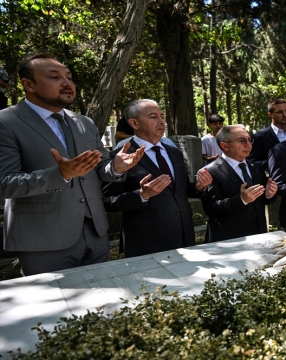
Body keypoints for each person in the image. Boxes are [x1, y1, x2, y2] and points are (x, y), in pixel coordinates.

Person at [0, 53, 145, 275]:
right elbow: (5, 183)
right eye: (54, 77)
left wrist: (116, 167)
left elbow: (100, 167)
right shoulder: (6, 123)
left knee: (101, 301)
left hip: (95, 233)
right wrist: (60, 174)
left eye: (69, 77)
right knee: (55, 306)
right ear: (28, 84)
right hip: (43, 239)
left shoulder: (84, 123)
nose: (67, 83)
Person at [102, 99, 212, 258]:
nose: (161, 121)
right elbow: (109, 201)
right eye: (153, 116)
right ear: (134, 123)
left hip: (183, 235)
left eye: (161, 116)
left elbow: (179, 190)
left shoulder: (173, 152)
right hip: (146, 240)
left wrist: (199, 186)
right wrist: (142, 195)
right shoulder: (121, 158)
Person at [202, 124, 277, 241]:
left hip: (259, 234)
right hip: (229, 239)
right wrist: (242, 200)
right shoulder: (210, 171)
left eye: (249, 140)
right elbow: (211, 209)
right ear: (225, 146)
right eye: (242, 141)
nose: (248, 144)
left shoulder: (256, 167)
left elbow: (263, 201)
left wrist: (269, 194)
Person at [248, 98, 286, 171]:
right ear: (270, 114)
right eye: (280, 112)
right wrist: (274, 161)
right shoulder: (260, 137)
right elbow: (251, 163)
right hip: (273, 180)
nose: (285, 115)